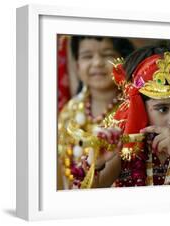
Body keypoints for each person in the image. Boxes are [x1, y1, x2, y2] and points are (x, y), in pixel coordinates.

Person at [67, 42, 170, 188]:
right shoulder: (125, 156)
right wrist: (96, 163)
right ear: (139, 108)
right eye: (162, 109)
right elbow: (79, 201)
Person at [57, 36, 134, 189]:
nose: (97, 62)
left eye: (107, 55)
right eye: (87, 56)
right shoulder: (69, 112)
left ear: (123, 63)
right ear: (77, 66)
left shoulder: (133, 111)